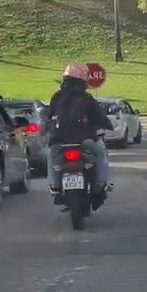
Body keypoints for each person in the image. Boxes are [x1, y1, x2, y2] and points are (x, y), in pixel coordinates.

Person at [42, 63, 113, 199]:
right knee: (100, 152)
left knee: (52, 157)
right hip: (84, 139)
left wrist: (47, 128)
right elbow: (100, 116)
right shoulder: (87, 99)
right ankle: (101, 183)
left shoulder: (57, 97)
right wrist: (108, 125)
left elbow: (48, 115)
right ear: (82, 80)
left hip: (59, 139)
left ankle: (55, 186)